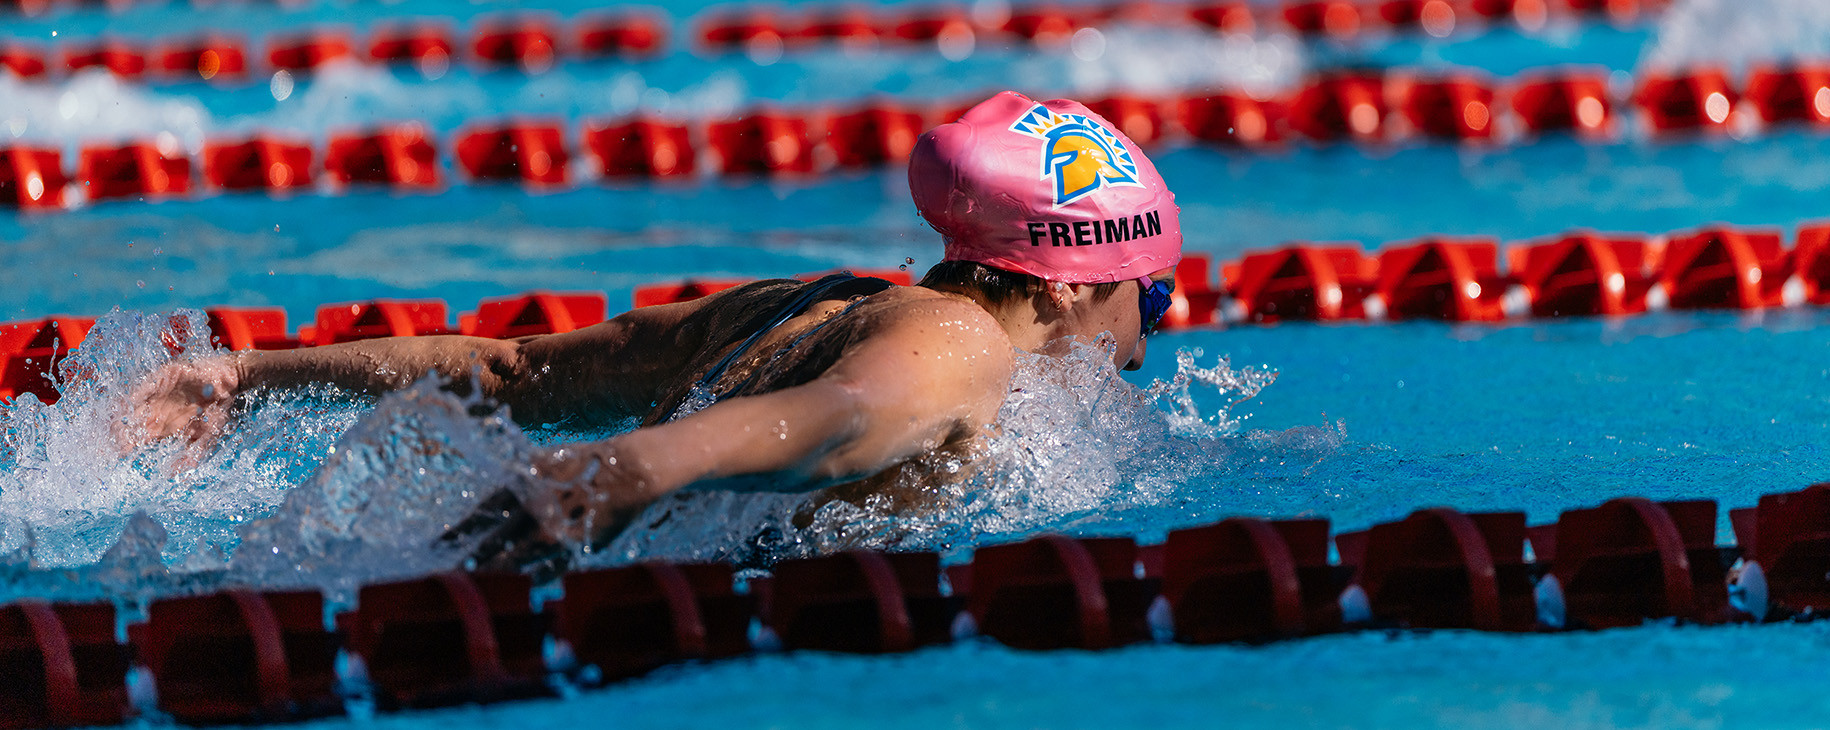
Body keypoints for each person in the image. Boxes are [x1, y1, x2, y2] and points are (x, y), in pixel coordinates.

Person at [128, 90, 1184, 571]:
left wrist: (246, 376)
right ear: (1060, 286)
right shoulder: (968, 350)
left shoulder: (815, 296)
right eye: (1151, 297)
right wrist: (618, 475)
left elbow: (509, 367)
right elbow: (835, 414)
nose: (1143, 345)